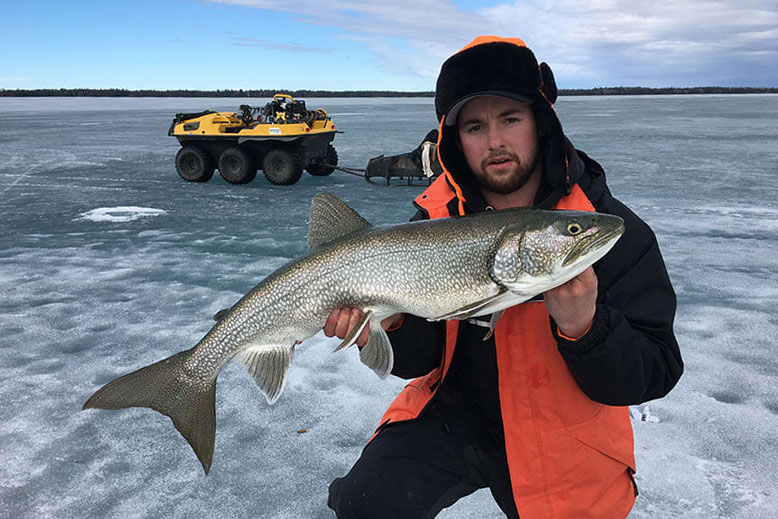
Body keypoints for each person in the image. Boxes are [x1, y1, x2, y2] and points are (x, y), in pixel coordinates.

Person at [324, 35, 683, 519]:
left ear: (540, 121)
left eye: (510, 119)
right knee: (364, 504)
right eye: (475, 126)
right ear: (455, 140)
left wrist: (587, 329)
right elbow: (420, 358)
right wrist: (387, 326)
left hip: (564, 429)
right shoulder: (433, 227)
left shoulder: (605, 230)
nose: (494, 142)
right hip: (453, 412)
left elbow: (655, 370)